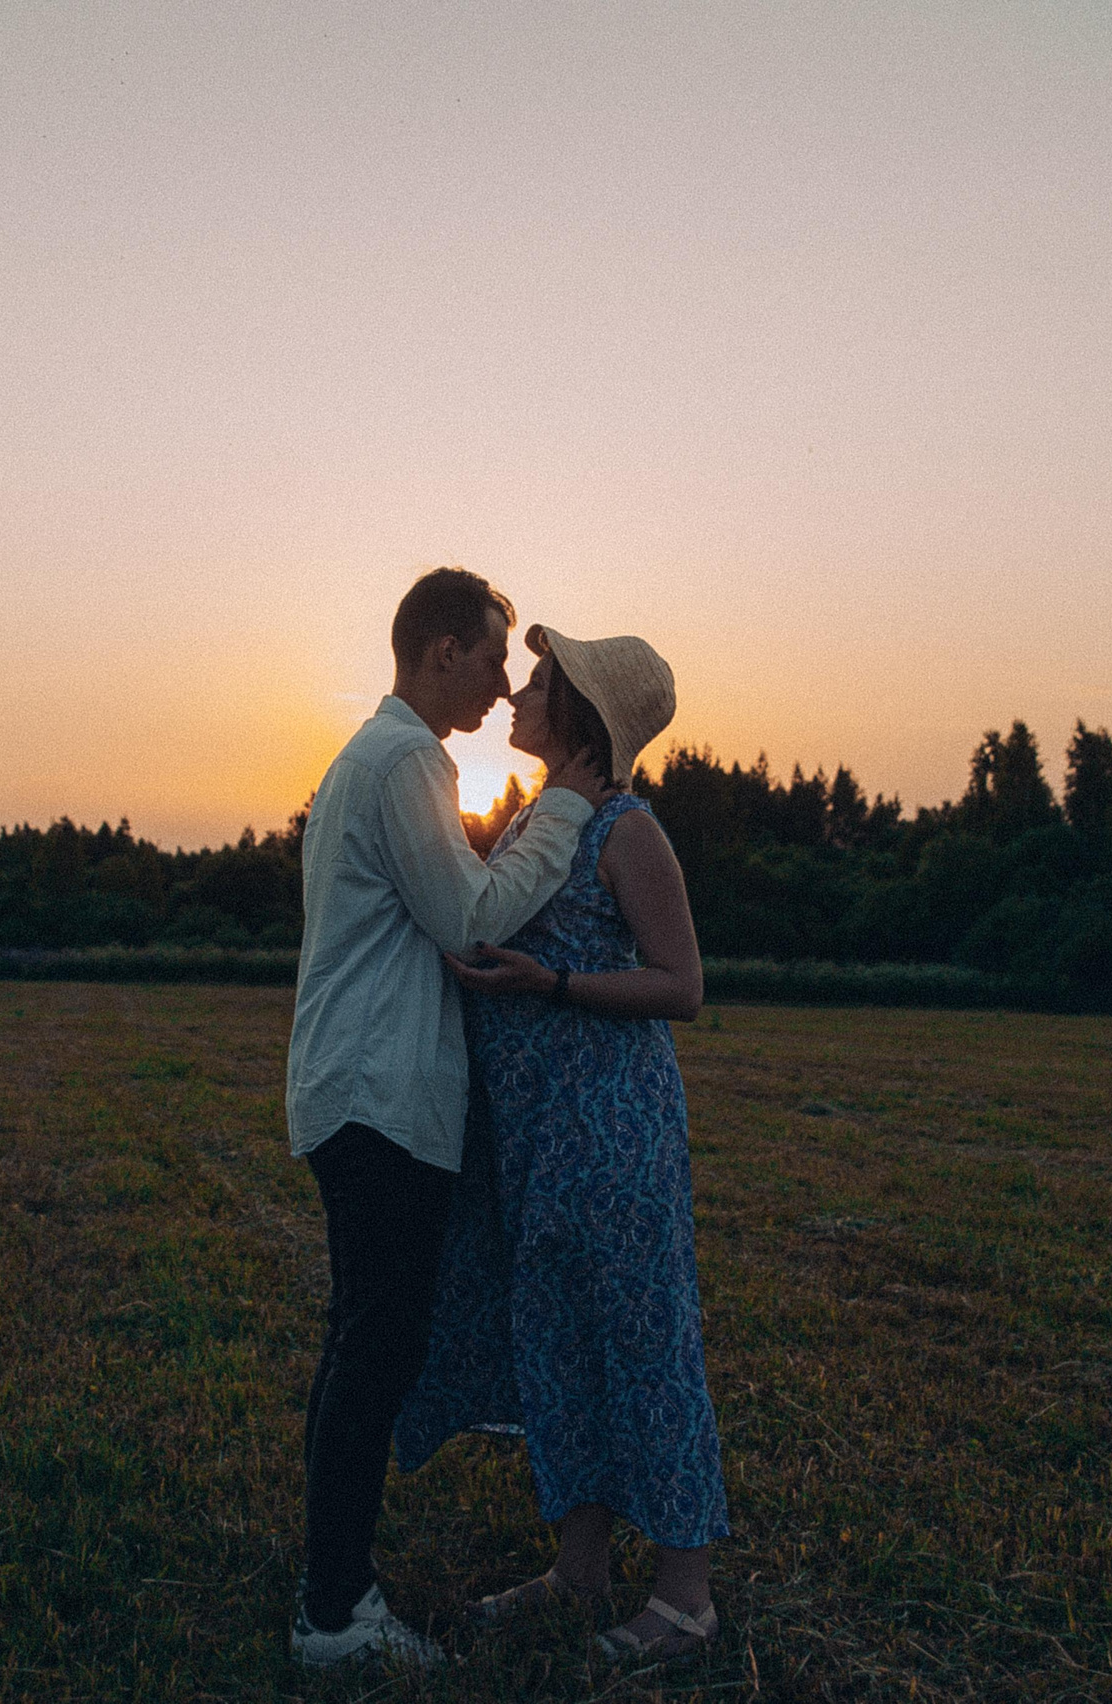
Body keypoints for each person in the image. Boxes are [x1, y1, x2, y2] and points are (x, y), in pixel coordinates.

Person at [283, 569, 608, 1668]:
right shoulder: (406, 761)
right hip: (378, 1096)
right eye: (490, 655)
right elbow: (470, 927)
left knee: (358, 1345)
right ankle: (334, 1617)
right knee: (375, 1349)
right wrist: (565, 807)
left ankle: (332, 1592)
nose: (505, 681)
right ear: (438, 652)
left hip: (354, 1090)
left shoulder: (362, 762)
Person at [396, 625, 729, 1664]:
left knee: (643, 1345)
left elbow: (680, 986)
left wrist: (554, 986)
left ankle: (684, 1597)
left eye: (539, 678)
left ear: (580, 712)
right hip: (538, 1139)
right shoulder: (543, 816)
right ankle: (578, 1569)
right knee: (554, 1346)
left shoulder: (627, 829)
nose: (517, 688)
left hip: (614, 1133)